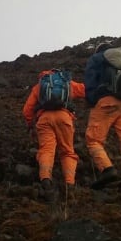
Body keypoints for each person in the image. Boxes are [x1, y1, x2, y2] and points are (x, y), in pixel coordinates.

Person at [83, 42, 121, 192]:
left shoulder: (97, 58)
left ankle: (107, 170)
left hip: (106, 103)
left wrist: (92, 100)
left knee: (94, 140)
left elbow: (90, 80)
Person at [22, 69, 86, 203]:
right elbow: (84, 90)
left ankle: (46, 179)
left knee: (46, 150)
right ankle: (69, 184)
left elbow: (27, 110)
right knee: (67, 151)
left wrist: (30, 125)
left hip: (44, 118)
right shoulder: (67, 83)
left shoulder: (39, 86)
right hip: (64, 117)